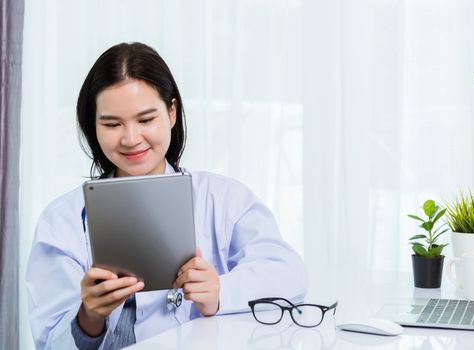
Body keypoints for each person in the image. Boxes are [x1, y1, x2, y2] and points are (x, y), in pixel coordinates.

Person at [26, 42, 308, 350]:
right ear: (92, 126)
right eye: (111, 124)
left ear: (172, 113)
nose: (131, 138)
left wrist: (220, 292)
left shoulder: (223, 198)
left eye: (146, 119)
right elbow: (49, 341)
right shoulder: (62, 220)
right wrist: (88, 318)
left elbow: (289, 276)